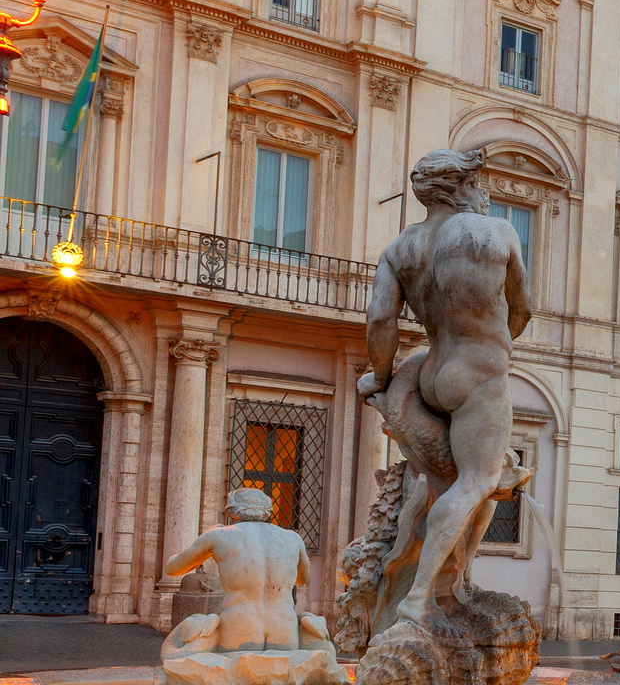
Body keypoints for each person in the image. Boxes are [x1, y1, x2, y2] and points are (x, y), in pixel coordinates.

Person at [358, 148, 530, 630]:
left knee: (459, 484)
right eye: (477, 182)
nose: (483, 191)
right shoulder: (496, 232)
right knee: (478, 481)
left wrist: (381, 375)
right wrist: (493, 350)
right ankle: (418, 599)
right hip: (478, 372)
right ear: (458, 187)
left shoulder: (400, 249)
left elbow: (379, 320)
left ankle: (451, 583)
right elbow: (523, 308)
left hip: (430, 372)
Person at [161, 487, 334, 656]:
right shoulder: (292, 538)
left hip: (240, 626)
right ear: (267, 511)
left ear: (231, 511)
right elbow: (303, 579)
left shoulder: (219, 535)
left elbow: (173, 568)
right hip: (283, 628)